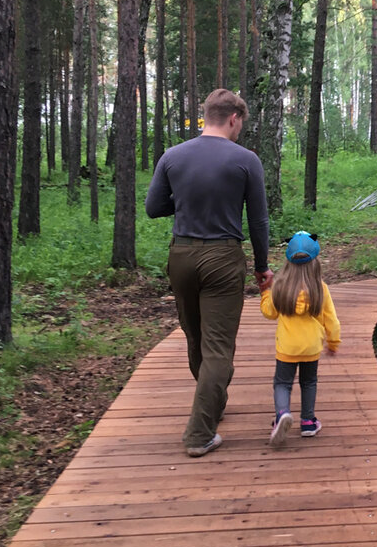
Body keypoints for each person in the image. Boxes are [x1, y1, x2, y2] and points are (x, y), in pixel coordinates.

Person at [145, 89, 272, 458]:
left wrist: (187, 199)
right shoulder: (246, 160)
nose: (239, 131)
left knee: (195, 336)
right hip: (222, 258)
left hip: (181, 255)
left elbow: (153, 208)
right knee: (218, 348)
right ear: (233, 118)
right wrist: (262, 266)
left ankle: (211, 403)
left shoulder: (173, 156)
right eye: (240, 125)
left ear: (206, 116)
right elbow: (258, 220)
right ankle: (199, 433)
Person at [260, 231, 341, 447]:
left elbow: (269, 313)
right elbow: (332, 320)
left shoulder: (280, 287)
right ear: (315, 263)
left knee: (282, 383)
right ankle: (307, 422)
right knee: (309, 382)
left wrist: (265, 292)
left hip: (287, 347)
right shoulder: (320, 289)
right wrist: (333, 343)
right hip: (311, 347)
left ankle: (282, 415)